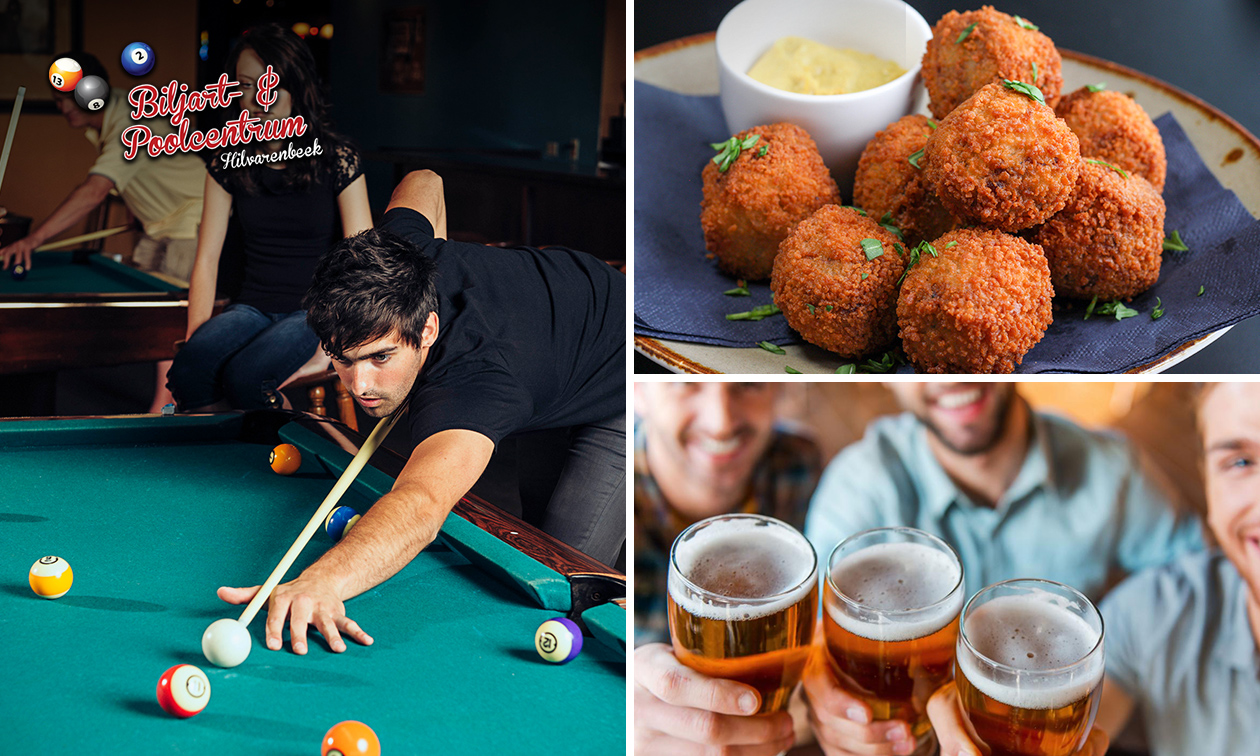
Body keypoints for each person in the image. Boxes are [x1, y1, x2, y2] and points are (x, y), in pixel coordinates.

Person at [213, 167, 625, 657]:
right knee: (536, 536)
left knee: (566, 576)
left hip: (617, 370)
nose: (360, 385)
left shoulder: (474, 384)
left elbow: (423, 500)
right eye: (343, 361)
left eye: (381, 357)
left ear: (426, 329)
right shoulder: (397, 258)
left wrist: (323, 579)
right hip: (551, 348)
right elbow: (424, 180)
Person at [800, 382, 1202, 756]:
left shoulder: (1111, 470)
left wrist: (1112, 676)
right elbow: (820, 645)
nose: (954, 382)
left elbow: (1201, 582)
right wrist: (824, 701)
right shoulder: (860, 485)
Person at [929, 381, 1260, 756]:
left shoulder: (1114, 470)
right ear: (1208, 478)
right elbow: (1082, 730)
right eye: (1240, 462)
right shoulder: (1156, 610)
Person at [165, 24, 371, 413]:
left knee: (246, 377)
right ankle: (212, 456)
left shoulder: (338, 158)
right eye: (246, 85)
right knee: (189, 369)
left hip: (312, 313)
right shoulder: (226, 161)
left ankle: (256, 456)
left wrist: (333, 343)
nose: (258, 98)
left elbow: (362, 264)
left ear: (295, 88)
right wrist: (198, 340)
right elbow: (206, 259)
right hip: (251, 308)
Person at [0, 52, 206, 411]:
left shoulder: (127, 121)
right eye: (58, 99)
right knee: (157, 316)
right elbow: (141, 174)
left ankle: (168, 408)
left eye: (67, 98)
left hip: (193, 220)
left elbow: (93, 191)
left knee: (169, 319)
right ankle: (169, 402)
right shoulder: (112, 111)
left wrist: (33, 239)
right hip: (160, 223)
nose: (62, 107)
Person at [633, 382, 822, 755]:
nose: (721, 423)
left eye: (748, 386)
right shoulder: (613, 491)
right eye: (684, 383)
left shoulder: (799, 465)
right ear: (637, 389)